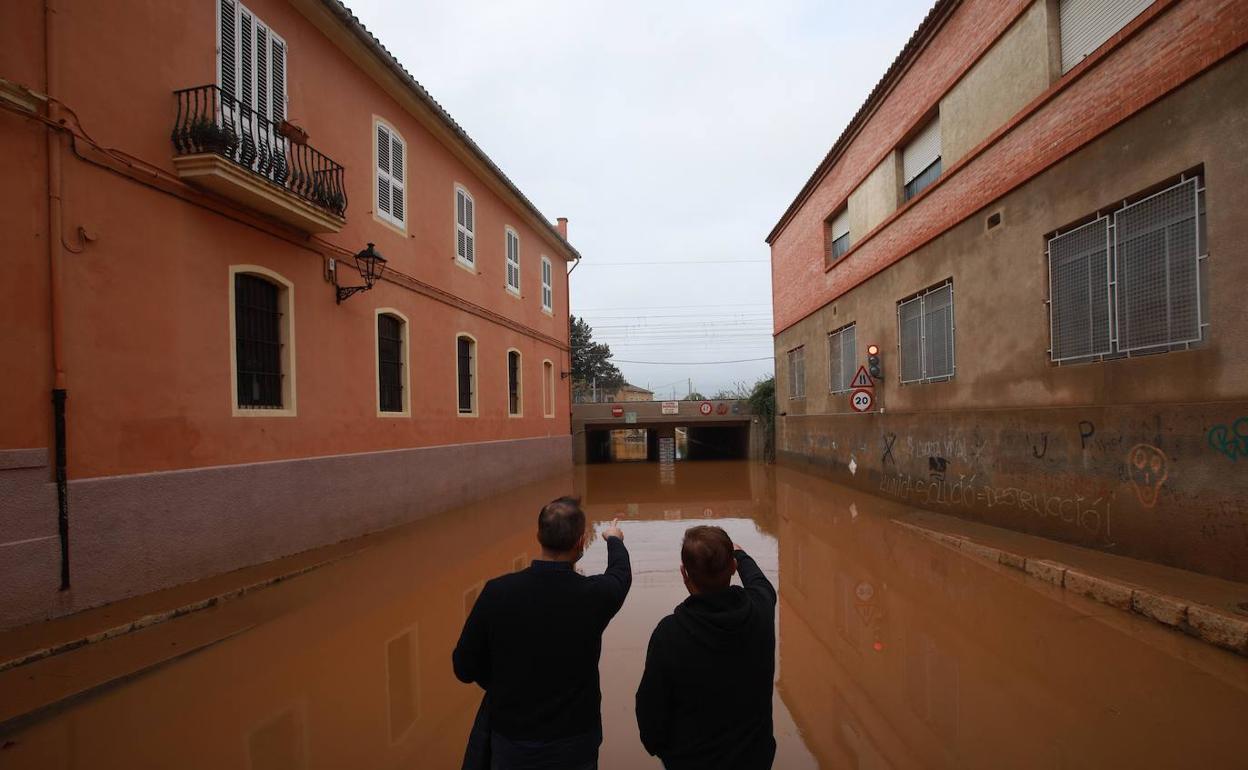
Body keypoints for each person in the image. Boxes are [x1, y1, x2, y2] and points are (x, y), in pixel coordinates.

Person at [453, 496, 631, 770]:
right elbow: (620, 575)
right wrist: (614, 539)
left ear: (538, 536)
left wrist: (503, 683)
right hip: (575, 741)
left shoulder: (497, 592)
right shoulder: (593, 596)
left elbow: (464, 667)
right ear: (581, 542)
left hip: (511, 740)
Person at [635, 525, 777, 769]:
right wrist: (740, 555)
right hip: (754, 759)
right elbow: (760, 582)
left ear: (684, 574)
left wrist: (664, 750)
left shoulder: (670, 634)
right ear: (733, 567)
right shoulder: (760, 610)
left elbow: (651, 710)